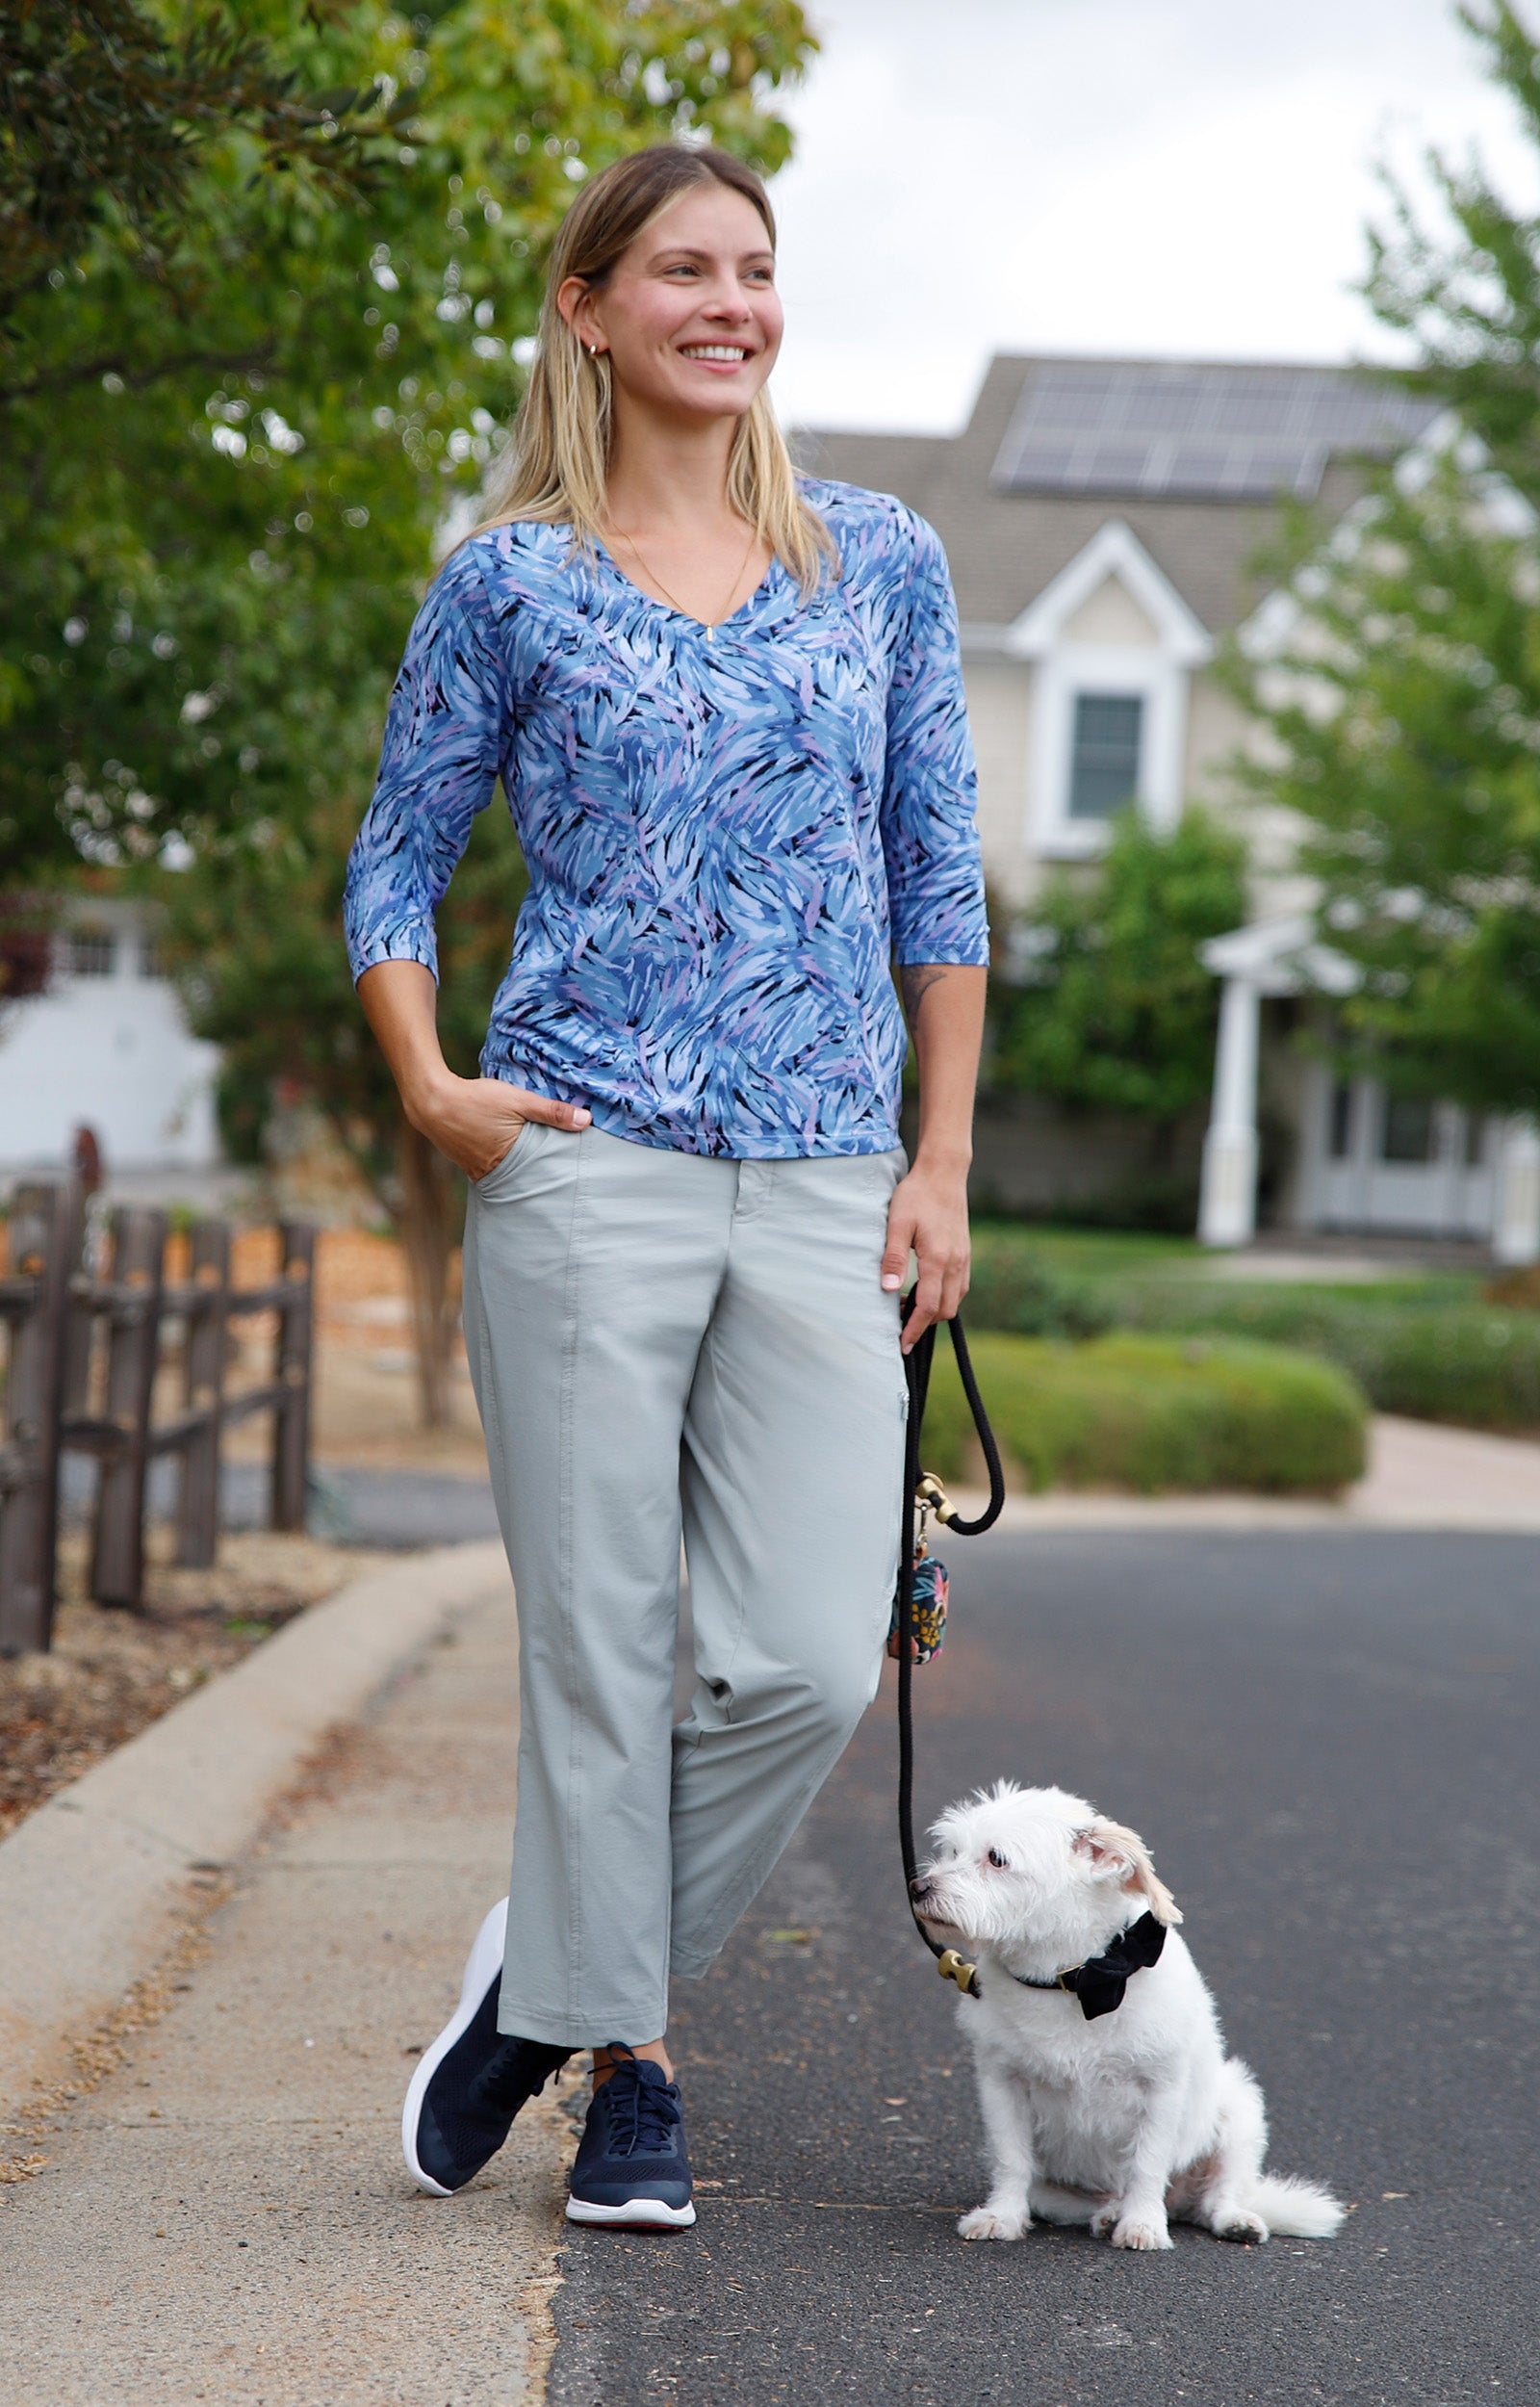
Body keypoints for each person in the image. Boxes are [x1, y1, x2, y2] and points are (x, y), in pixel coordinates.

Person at [345, 142, 988, 2231]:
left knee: (806, 1647)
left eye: (755, 269)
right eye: (682, 270)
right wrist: (432, 1084)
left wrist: (941, 1158)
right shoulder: (505, 580)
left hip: (822, 1169)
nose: (730, 301)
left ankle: (534, 1976)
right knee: (602, 1643)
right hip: (580, 1160)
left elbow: (938, 877)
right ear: (588, 310)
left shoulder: (877, 560)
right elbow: (394, 867)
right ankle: (629, 2068)